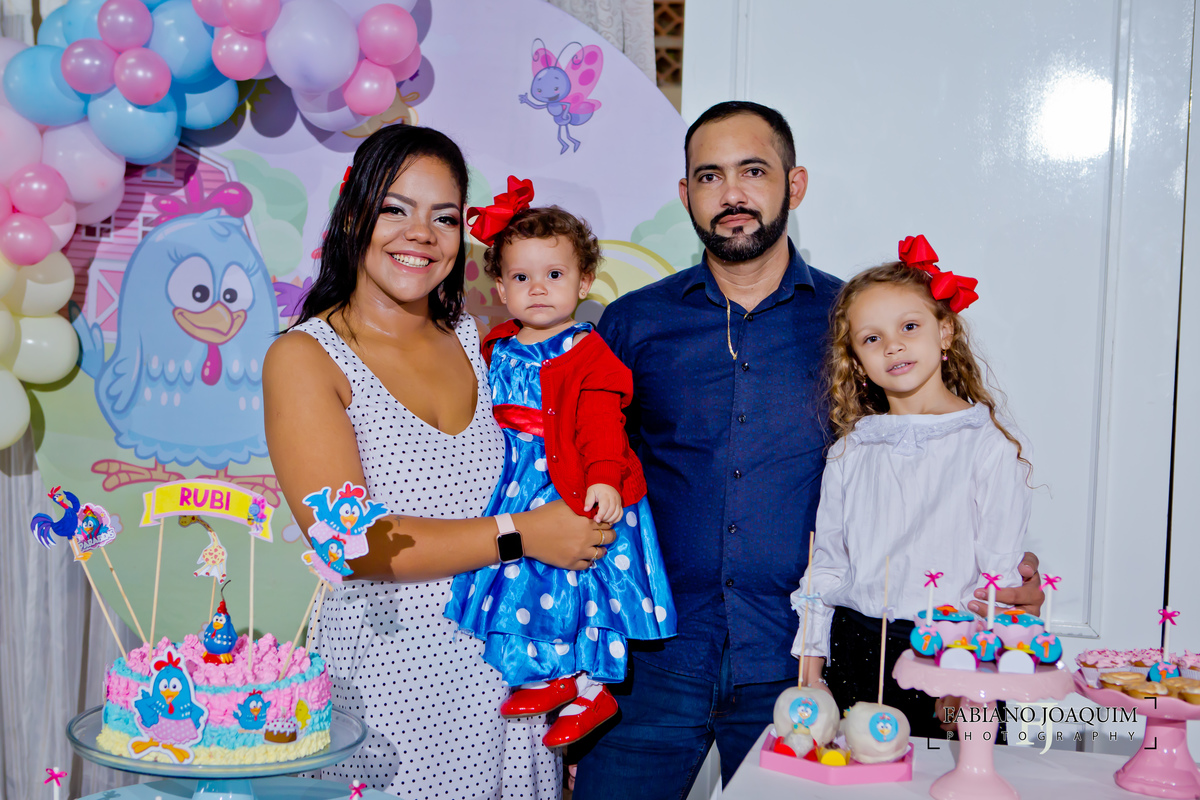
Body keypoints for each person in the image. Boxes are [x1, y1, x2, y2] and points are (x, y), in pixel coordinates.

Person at [571, 101, 1045, 798]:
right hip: (652, 659)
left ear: (794, 185)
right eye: (709, 176)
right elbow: (584, 468)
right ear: (685, 195)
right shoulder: (633, 322)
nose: (731, 193)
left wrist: (998, 576)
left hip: (802, 667)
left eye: (753, 171)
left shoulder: (857, 325)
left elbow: (926, 461)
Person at [262, 125, 609, 799]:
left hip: (507, 675)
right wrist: (524, 533)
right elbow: (353, 545)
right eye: (395, 209)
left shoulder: (479, 341)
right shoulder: (305, 358)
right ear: (354, 216)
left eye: (444, 217)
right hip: (390, 689)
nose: (420, 233)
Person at [444, 198, 676, 749]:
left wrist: (603, 477)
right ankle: (550, 674)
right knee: (523, 580)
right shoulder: (497, 345)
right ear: (501, 288)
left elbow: (602, 424)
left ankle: (592, 689)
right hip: (516, 481)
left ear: (584, 282)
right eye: (522, 277)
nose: (539, 289)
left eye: (554, 275)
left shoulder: (586, 351)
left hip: (571, 479)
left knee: (580, 583)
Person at [793, 238, 1032, 738]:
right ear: (856, 360)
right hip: (856, 651)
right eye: (871, 338)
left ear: (945, 331)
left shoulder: (986, 447)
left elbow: (999, 577)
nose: (893, 346)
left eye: (909, 327)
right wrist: (811, 673)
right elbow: (828, 565)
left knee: (951, 774)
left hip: (952, 657)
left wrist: (974, 678)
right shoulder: (850, 451)